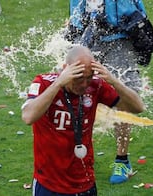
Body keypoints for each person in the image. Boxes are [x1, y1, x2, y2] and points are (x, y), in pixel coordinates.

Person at [21, 45, 145, 195]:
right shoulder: (43, 83)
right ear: (66, 69)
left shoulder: (96, 86)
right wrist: (59, 83)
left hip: (85, 183)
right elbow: (28, 117)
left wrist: (114, 82)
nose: (84, 84)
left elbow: (137, 107)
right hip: (49, 184)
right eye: (79, 78)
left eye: (89, 77)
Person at [65, 0, 153, 184]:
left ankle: (122, 160)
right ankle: (75, 155)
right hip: (88, 39)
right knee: (75, 92)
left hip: (121, 39)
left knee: (123, 100)